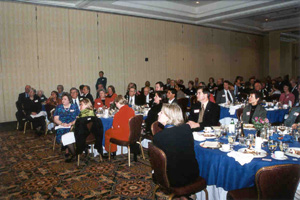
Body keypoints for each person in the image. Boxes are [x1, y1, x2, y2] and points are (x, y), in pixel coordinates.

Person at [153, 103, 199, 188]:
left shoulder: (158, 137)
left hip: (172, 179)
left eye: (161, 112)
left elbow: (159, 164)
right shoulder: (186, 128)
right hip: (193, 174)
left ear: (168, 117)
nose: (158, 113)